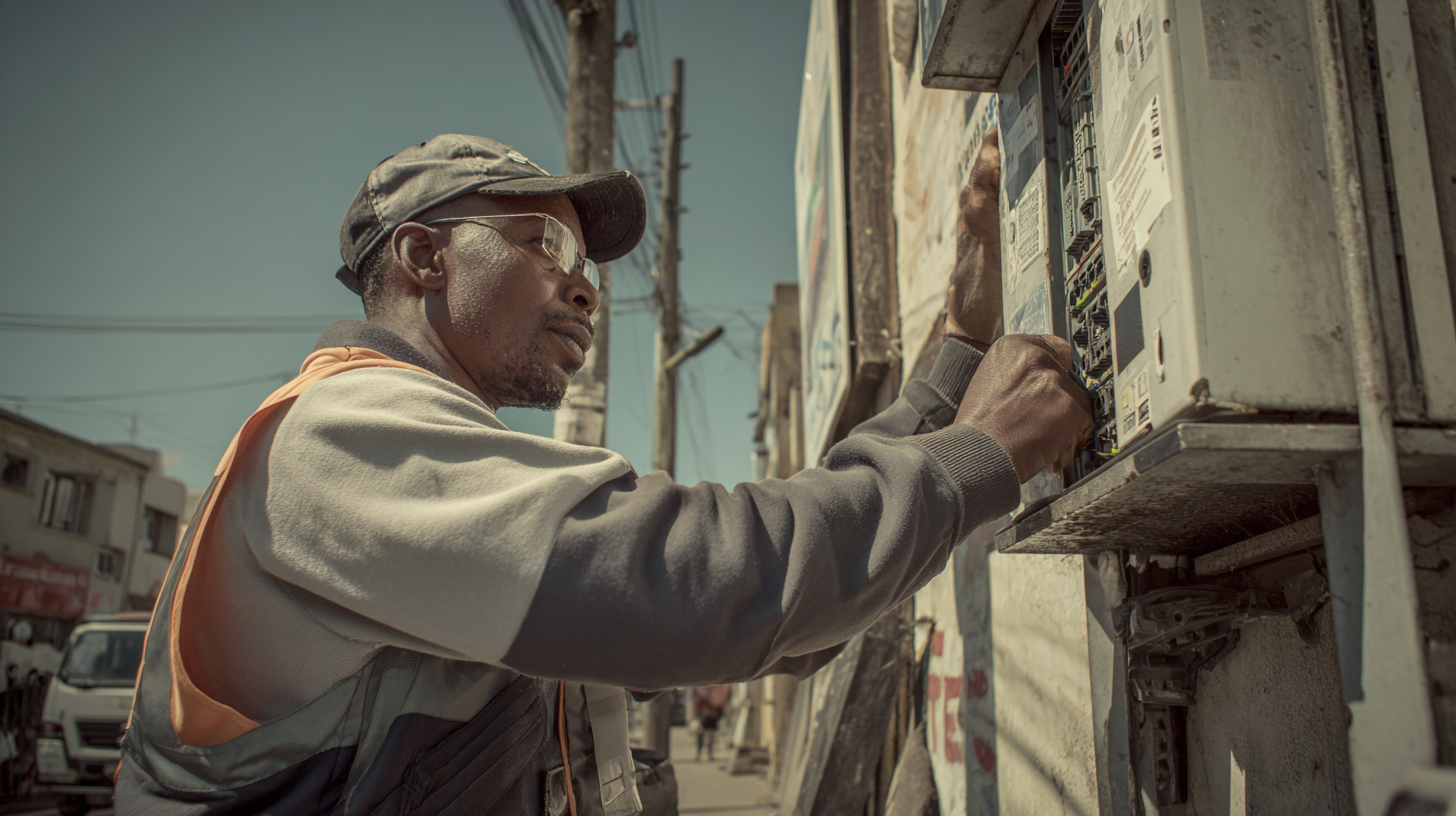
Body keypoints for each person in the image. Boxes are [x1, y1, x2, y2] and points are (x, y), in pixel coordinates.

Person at [117, 132, 1090, 815]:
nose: (586, 283)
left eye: (586, 257)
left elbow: (774, 621)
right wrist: (981, 451)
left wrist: (959, 349)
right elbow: (713, 586)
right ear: (421, 256)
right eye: (545, 244)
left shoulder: (429, 468)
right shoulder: (343, 436)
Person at [691, 685, 731, 761]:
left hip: (711, 709)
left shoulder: (718, 686)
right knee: (702, 731)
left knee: (708, 732)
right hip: (704, 709)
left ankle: (706, 753)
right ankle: (702, 753)